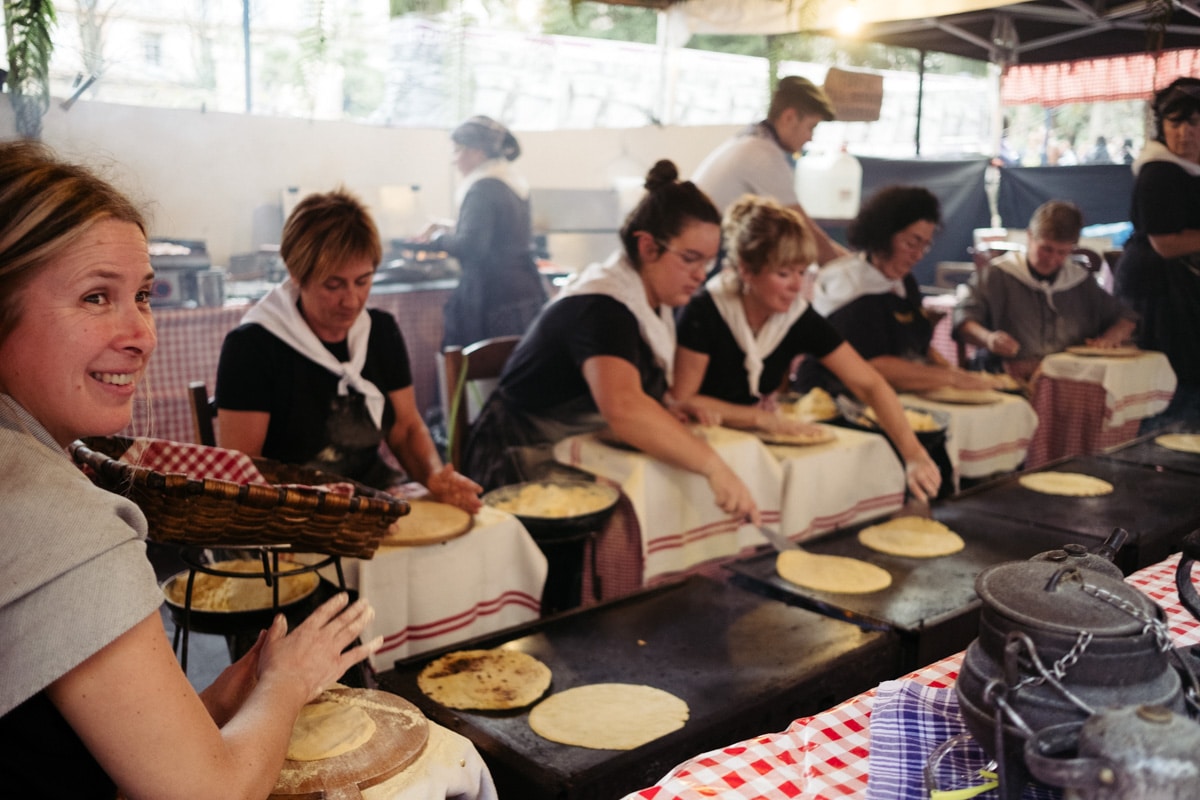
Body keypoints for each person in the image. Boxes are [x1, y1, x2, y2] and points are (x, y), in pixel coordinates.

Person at [0, 141, 379, 798]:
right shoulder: (56, 518)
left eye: (142, 295)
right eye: (96, 297)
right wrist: (288, 685)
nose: (141, 333)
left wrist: (217, 707)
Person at [462, 160, 759, 523]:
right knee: (647, 510)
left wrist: (665, 408)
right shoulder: (601, 307)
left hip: (577, 449)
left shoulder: (654, 303)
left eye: (709, 264)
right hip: (519, 464)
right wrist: (715, 468)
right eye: (690, 259)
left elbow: (632, 398)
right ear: (648, 247)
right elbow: (623, 407)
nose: (701, 275)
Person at [217, 188, 482, 512]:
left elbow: (406, 427)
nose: (352, 301)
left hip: (372, 497)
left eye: (363, 281)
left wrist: (434, 475)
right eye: (334, 284)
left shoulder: (380, 331)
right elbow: (242, 470)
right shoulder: (254, 347)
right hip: (288, 513)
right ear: (296, 273)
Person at [673, 195, 942, 501]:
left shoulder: (795, 317)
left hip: (753, 448)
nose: (795, 286)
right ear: (747, 270)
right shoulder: (705, 311)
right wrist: (761, 419)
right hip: (696, 453)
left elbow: (869, 384)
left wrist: (914, 454)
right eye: (784, 274)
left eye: (802, 273)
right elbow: (682, 398)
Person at [802, 185, 1006, 394]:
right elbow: (874, 364)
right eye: (911, 243)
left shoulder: (904, 283)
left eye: (925, 246)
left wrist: (956, 373)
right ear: (884, 234)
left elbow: (919, 347)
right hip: (834, 397)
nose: (918, 255)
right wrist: (950, 378)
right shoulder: (848, 285)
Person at [953, 200, 1137, 381]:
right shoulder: (997, 275)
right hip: (1007, 378)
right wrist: (988, 339)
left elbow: (1126, 317)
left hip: (1068, 379)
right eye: (1046, 249)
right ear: (1030, 236)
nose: (1052, 259)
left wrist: (1111, 338)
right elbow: (964, 319)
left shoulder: (1080, 281)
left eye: (1062, 252)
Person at [1115, 77, 1200, 432]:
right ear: (1161, 126)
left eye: (1194, 122)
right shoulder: (1158, 172)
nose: (1184, 133)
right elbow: (1166, 243)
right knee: (1170, 395)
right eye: (1174, 122)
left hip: (1186, 296)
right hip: (1160, 298)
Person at [692, 75, 848, 266]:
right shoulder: (763, 154)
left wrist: (851, 262)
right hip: (705, 258)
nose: (811, 138)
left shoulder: (752, 140)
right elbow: (805, 235)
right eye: (811, 127)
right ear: (789, 117)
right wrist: (852, 270)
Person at [422, 115, 548, 348]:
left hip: (494, 297)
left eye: (457, 151)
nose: (454, 160)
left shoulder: (482, 187)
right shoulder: (510, 182)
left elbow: (472, 246)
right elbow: (498, 233)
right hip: (522, 289)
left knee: (485, 372)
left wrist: (438, 240)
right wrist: (448, 226)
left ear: (478, 151)